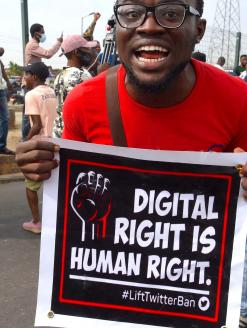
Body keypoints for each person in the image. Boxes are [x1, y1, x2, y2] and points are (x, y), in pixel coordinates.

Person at [15, 0, 247, 324]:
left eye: (171, 13)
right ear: (117, 26)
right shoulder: (84, 103)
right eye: (132, 13)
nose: (149, 27)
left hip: (198, 303)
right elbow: (77, 204)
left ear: (199, 30)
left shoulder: (238, 100)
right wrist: (41, 163)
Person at [21, 62, 57, 233]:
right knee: (54, 184)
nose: (24, 78)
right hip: (56, 142)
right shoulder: (51, 91)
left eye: (26, 75)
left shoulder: (31, 95)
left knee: (31, 185)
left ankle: (36, 223)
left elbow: (36, 125)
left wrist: (25, 145)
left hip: (40, 143)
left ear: (34, 77)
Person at [22, 23, 63, 141]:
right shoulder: (32, 46)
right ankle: (27, 139)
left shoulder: (34, 45)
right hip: (32, 83)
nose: (44, 34)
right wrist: (58, 42)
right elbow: (48, 54)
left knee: (34, 115)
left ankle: (29, 139)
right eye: (42, 32)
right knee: (30, 117)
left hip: (35, 82)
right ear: (36, 34)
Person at [53, 35, 97, 138]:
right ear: (76, 52)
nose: (90, 52)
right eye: (86, 49)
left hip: (59, 133)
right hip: (75, 136)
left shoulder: (60, 75)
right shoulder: (80, 75)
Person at [0, 47, 14, 155]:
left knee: (5, 118)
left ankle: (1, 146)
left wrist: (8, 83)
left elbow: (3, 71)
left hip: (1, 90)